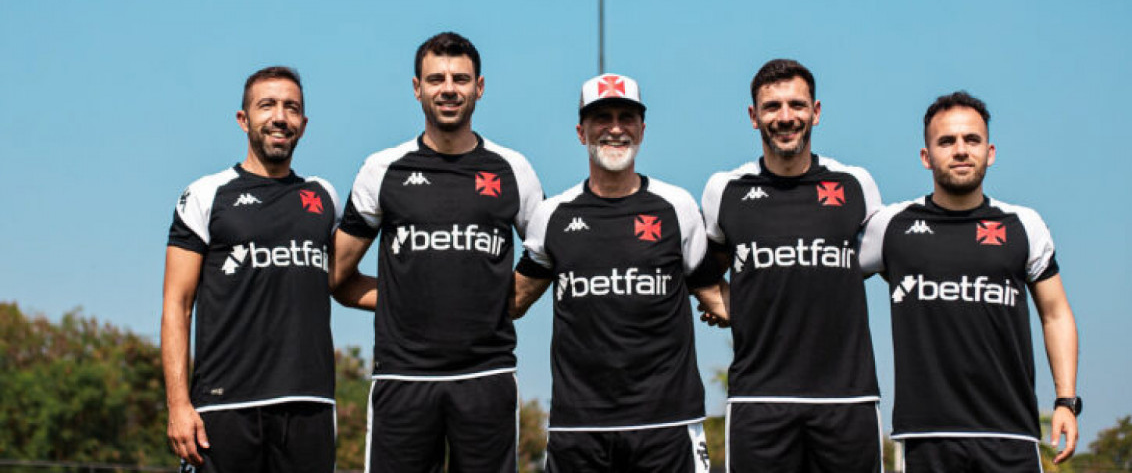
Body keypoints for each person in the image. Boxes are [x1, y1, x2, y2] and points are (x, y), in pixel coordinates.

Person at [330, 31, 543, 473]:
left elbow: (548, 251)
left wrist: (508, 301)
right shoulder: (382, 169)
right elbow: (336, 276)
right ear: (417, 88)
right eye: (436, 78)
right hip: (402, 378)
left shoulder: (513, 169)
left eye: (460, 79)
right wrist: (399, 300)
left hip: (486, 377)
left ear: (479, 88)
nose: (449, 88)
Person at [860, 91, 1081, 472]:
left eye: (971, 140)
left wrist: (1066, 401)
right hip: (927, 438)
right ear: (926, 157)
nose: (960, 150)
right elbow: (821, 276)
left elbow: (1056, 315)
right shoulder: (890, 227)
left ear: (990, 152)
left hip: (1011, 435)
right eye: (946, 141)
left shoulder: (1024, 225)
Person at [510, 73, 721, 473]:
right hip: (579, 428)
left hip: (668, 424)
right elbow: (514, 301)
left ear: (642, 129)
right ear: (580, 131)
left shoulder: (677, 206)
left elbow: (715, 295)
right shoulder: (552, 214)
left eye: (627, 117)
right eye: (601, 117)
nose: (615, 128)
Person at [699, 58, 884, 472]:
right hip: (759, 400)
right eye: (772, 107)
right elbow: (703, 268)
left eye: (797, 105)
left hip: (847, 398)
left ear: (815, 111)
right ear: (753, 117)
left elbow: (885, 262)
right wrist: (725, 301)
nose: (785, 118)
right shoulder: (725, 189)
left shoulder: (855, 184)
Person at [161, 66, 340, 472]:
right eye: (268, 106)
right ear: (243, 120)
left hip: (309, 405)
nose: (280, 117)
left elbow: (341, 282)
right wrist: (178, 405)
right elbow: (177, 305)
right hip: (225, 406)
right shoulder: (205, 195)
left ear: (304, 124)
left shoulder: (324, 197)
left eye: (291, 108)